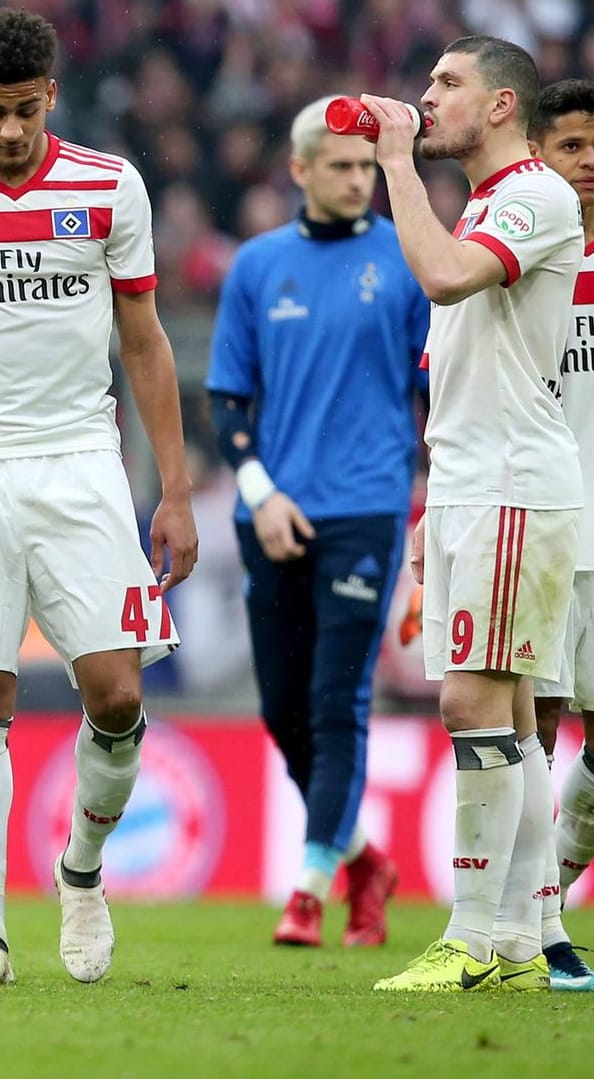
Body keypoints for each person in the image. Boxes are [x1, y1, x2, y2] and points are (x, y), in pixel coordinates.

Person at [0, 8, 198, 987]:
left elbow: (143, 338)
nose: (9, 131)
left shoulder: (108, 185)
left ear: (51, 94)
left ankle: (81, 870)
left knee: (118, 691)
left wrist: (172, 488)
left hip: (82, 461)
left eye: (25, 110)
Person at [361, 35, 581, 993]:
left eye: (449, 84)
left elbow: (445, 277)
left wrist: (396, 164)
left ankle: (472, 938)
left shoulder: (537, 193)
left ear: (501, 106)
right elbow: (453, 371)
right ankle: (527, 940)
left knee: (474, 703)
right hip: (466, 482)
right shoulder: (490, 205)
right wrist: (430, 504)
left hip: (512, 482)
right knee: (518, 716)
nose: (428, 96)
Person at [206, 96, 426, 949]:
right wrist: (260, 491)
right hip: (272, 514)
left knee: (337, 704)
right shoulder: (259, 267)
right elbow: (228, 397)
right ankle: (366, 859)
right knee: (281, 711)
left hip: (366, 509)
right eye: (340, 165)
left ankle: (306, 889)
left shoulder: (408, 259)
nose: (357, 179)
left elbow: (432, 389)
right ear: (299, 170)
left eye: (367, 166)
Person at [524, 77, 594, 991]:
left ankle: (551, 889)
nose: (591, 164)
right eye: (573, 146)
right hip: (543, 524)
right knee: (530, 731)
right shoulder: (508, 250)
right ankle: (539, 925)